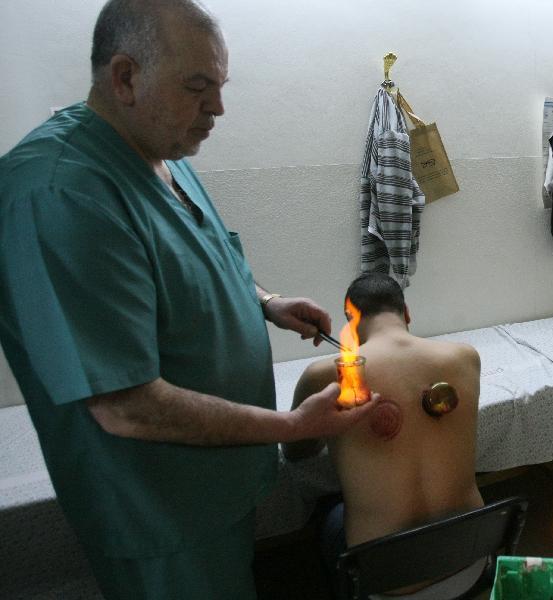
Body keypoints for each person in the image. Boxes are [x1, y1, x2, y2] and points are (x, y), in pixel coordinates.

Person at [0, 1, 378, 598]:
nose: (218, 109)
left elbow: (190, 262)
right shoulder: (62, 195)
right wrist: (293, 424)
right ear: (125, 77)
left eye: (220, 86)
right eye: (198, 87)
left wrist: (264, 301)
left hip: (214, 486)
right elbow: (126, 405)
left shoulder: (160, 153)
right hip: (161, 508)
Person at [284, 273, 485, 597]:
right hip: (471, 563)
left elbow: (294, 452)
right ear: (406, 313)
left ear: (352, 325)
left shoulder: (324, 375)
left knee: (329, 511)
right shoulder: (465, 357)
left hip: (389, 585)